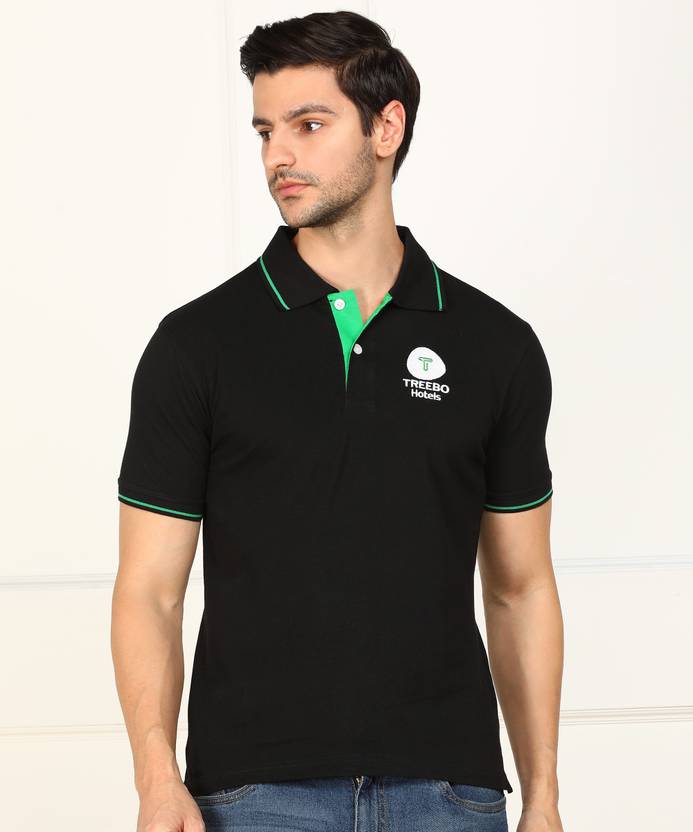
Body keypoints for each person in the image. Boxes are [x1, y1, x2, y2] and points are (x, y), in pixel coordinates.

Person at [111, 10, 564, 832]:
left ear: (386, 127)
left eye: (308, 125)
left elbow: (519, 586)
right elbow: (149, 591)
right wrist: (155, 777)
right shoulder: (198, 344)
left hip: (449, 793)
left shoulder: (494, 344)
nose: (277, 156)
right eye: (265, 131)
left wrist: (543, 798)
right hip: (254, 795)